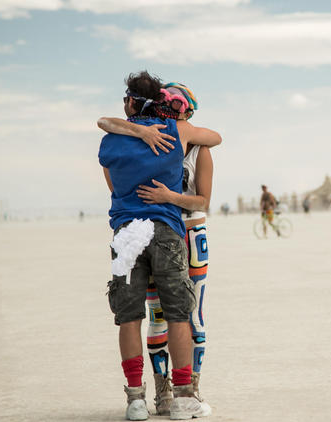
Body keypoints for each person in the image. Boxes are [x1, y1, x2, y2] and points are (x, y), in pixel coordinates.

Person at [98, 71, 220, 421]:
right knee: (180, 313)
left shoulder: (110, 142)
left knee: (130, 317)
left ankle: (136, 399)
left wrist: (134, 130)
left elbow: (113, 185)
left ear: (132, 103)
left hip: (126, 233)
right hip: (167, 230)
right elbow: (216, 137)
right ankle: (183, 397)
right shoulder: (177, 133)